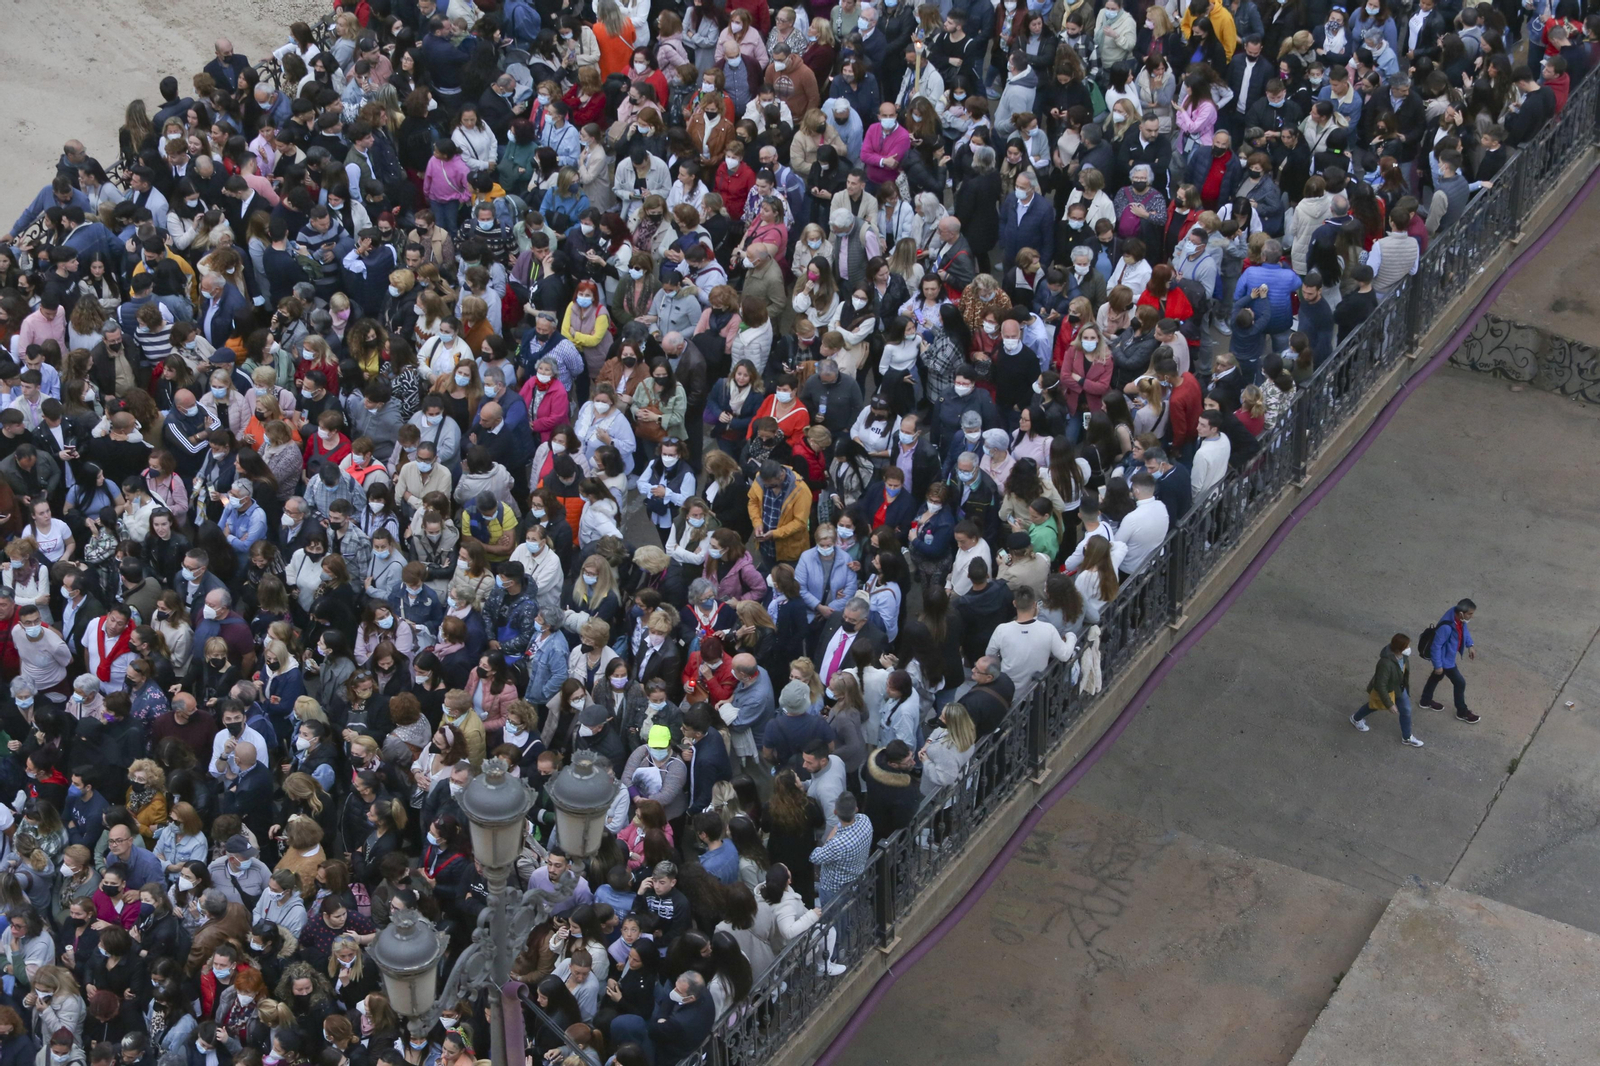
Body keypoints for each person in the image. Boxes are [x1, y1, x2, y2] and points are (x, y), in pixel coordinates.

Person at [1350, 633, 1422, 746]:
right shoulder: (1385, 663)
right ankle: (1356, 718)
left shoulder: (1403, 656)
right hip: (1388, 690)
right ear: (1400, 648)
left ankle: (1407, 737)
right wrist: (1390, 704)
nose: (1409, 648)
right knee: (1374, 706)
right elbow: (1380, 685)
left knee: (1406, 710)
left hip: (1399, 688)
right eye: (1407, 646)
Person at [1418, 598, 1479, 725]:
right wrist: (1438, 665)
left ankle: (1425, 700)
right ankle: (1462, 712)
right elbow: (1436, 647)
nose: (1472, 616)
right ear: (1461, 613)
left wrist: (1470, 645)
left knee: (1436, 677)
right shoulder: (1446, 627)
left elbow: (1464, 630)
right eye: (1470, 614)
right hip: (1445, 661)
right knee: (1460, 683)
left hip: (1446, 658)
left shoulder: (1457, 616)